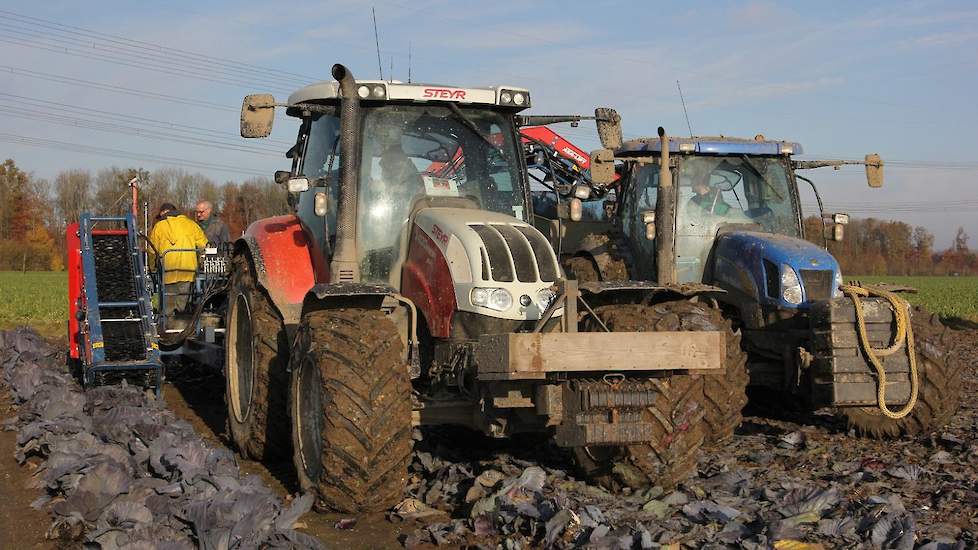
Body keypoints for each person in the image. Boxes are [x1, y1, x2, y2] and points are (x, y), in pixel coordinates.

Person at [149, 202, 207, 314]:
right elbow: (205, 246)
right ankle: (182, 326)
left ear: (164, 213)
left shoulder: (159, 227)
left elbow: (152, 251)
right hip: (188, 272)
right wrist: (201, 263)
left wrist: (152, 269)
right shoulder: (192, 225)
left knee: (167, 309)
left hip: (168, 272)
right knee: (183, 308)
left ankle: (168, 327)